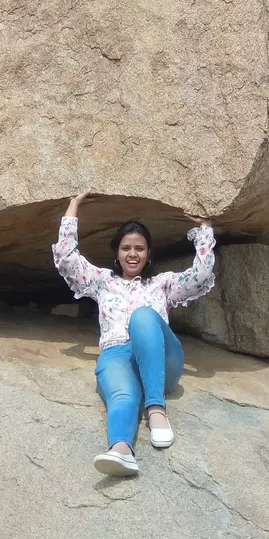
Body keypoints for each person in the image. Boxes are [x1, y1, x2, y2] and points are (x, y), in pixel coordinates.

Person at [52, 190, 216, 477]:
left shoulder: (163, 284)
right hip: (117, 355)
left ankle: (156, 410)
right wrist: (73, 206)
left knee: (142, 317)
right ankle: (121, 450)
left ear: (148, 253)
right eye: (126, 248)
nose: (132, 254)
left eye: (139, 248)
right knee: (123, 395)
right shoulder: (102, 282)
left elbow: (201, 276)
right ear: (117, 252)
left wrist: (205, 230)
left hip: (162, 360)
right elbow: (67, 259)